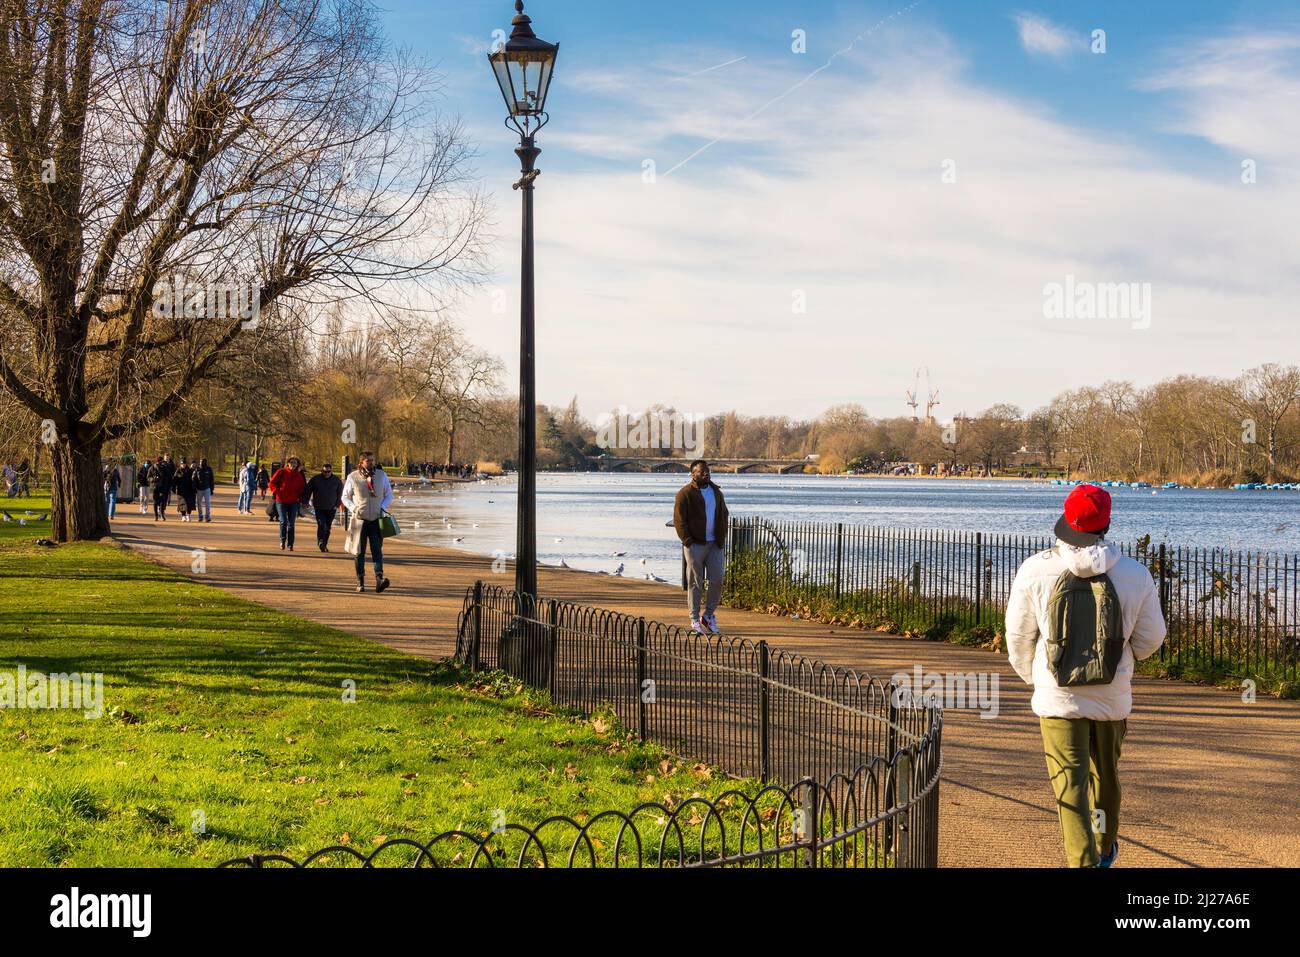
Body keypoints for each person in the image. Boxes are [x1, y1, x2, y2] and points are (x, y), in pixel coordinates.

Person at [1005, 484, 1167, 869]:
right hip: (1111, 697)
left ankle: (1083, 861)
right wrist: (1123, 663)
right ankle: (1104, 845)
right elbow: (1152, 637)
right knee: (1105, 777)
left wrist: (1035, 676)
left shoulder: (1037, 568)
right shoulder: (1134, 574)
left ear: (1067, 519)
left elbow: (1018, 635)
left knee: (1069, 782)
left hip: (1058, 697)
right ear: (1106, 523)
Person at [672, 460, 730, 635]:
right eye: (702, 471)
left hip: (715, 544)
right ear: (693, 474)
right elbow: (679, 520)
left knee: (717, 579)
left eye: (708, 471)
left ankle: (709, 616)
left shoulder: (716, 492)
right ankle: (695, 619)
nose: (706, 473)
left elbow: (724, 513)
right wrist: (687, 540)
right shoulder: (685, 494)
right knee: (695, 583)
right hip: (695, 544)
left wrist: (722, 536)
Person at [342, 451, 392, 593]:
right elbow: (345, 497)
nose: (371, 463)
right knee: (359, 552)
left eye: (372, 460)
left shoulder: (381, 476)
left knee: (377, 550)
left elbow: (389, 495)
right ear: (361, 462)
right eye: (368, 461)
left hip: (376, 520)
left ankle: (379, 579)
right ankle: (360, 581)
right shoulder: (353, 477)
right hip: (359, 520)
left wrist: (382, 508)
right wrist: (354, 508)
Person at [268, 457, 307, 551]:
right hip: (281, 501)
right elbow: (271, 483)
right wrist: (277, 491)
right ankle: (282, 541)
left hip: (294, 502)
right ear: (288, 463)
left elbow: (302, 489)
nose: (293, 465)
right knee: (283, 521)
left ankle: (290, 544)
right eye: (292, 462)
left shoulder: (298, 475)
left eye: (295, 463)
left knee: (291, 523)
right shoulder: (281, 472)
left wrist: (302, 500)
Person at [305, 462, 344, 552]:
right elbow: (308, 490)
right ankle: (321, 541)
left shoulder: (336, 480)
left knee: (328, 527)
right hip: (319, 507)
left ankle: (324, 544)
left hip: (332, 508)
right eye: (324, 471)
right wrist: (305, 501)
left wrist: (337, 504)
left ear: (331, 471)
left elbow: (340, 493)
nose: (326, 473)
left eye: (328, 472)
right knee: (321, 524)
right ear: (322, 471)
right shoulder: (315, 479)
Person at [194, 457, 215, 523]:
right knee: (199, 504)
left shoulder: (209, 469)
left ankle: (207, 517)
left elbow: (212, 480)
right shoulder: (197, 469)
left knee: (207, 504)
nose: (202, 463)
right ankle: (200, 516)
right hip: (199, 489)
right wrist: (195, 487)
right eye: (201, 462)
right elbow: (194, 479)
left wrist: (212, 489)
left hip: (207, 489)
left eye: (203, 462)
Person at [150, 455, 170, 521]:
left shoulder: (165, 468)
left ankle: (161, 513)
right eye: (160, 462)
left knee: (162, 501)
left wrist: (167, 484)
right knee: (155, 502)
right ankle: (156, 515)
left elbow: (169, 477)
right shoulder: (153, 467)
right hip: (155, 487)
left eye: (161, 462)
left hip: (163, 487)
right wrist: (153, 479)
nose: (161, 463)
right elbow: (148, 477)